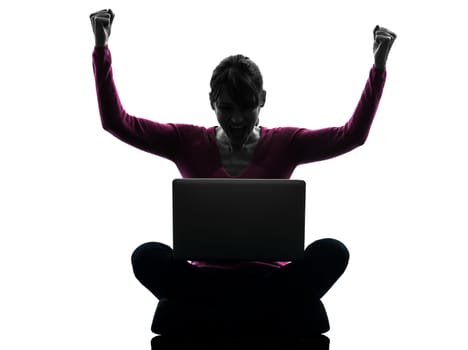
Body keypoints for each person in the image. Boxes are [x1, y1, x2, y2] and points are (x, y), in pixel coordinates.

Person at [90, 9, 396, 308]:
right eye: (226, 108)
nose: (236, 119)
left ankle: (228, 307)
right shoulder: (184, 140)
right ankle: (249, 306)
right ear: (211, 102)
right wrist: (101, 48)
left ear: (262, 100)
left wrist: (378, 66)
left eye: (247, 107)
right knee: (147, 256)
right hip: (204, 279)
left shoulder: (287, 143)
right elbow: (118, 123)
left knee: (333, 252)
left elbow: (351, 135)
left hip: (271, 280)